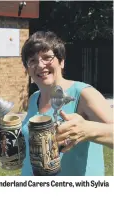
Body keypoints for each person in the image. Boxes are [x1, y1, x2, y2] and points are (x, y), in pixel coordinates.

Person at [21, 31, 113, 176]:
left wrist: (87, 130)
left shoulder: (82, 93)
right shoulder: (34, 98)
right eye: (32, 60)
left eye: (47, 57)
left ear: (61, 61)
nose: (40, 65)